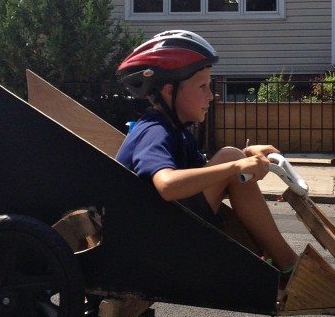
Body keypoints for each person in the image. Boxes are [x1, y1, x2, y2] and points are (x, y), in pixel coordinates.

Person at [116, 30, 298, 274]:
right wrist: (236, 164)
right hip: (152, 244)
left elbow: (208, 174)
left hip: (162, 232)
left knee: (232, 157)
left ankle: (283, 264)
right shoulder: (155, 130)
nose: (211, 96)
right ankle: (289, 267)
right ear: (170, 91)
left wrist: (248, 156)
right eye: (202, 86)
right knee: (230, 158)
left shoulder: (176, 131)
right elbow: (167, 185)